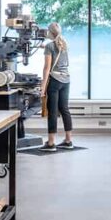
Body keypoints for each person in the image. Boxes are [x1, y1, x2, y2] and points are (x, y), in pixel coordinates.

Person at [39, 22, 74, 152]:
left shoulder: (50, 46)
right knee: (64, 109)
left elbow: (47, 68)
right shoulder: (64, 44)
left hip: (55, 81)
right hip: (66, 80)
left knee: (52, 112)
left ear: (49, 33)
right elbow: (56, 52)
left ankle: (51, 143)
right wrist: (44, 48)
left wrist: (42, 88)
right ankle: (68, 141)